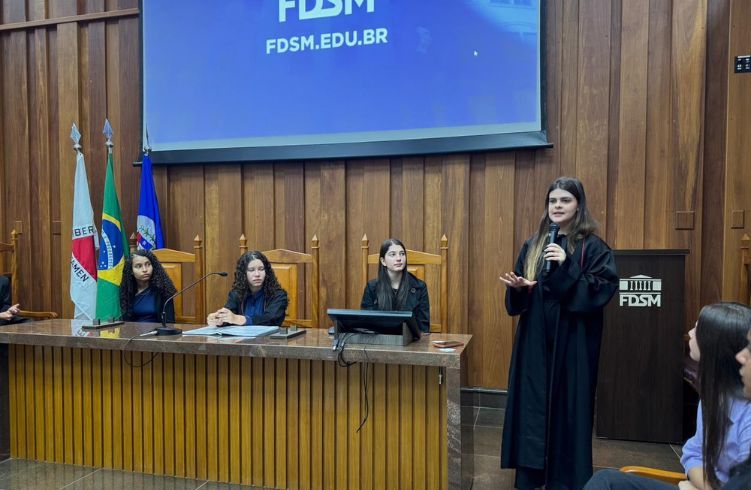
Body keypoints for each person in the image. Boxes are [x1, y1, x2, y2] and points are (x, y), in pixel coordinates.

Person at [499, 176, 619, 489]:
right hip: (535, 341)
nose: (557, 206)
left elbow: (600, 291)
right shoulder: (534, 244)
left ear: (578, 205)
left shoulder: (593, 247)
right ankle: (531, 475)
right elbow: (518, 301)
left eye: (565, 200)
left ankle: (564, 480)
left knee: (569, 408)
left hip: (572, 343)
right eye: (552, 200)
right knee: (532, 407)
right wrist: (519, 289)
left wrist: (567, 266)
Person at [583, 302, 751, 490]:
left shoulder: (747, 417)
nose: (690, 333)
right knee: (606, 480)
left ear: (715, 345)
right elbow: (694, 453)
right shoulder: (714, 394)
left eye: (697, 329)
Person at [360, 238, 430, 333]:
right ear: (383, 261)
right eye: (392, 254)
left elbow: (423, 329)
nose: (399, 258)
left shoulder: (420, 287)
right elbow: (366, 325)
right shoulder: (371, 287)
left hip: (410, 340)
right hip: (379, 340)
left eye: (402, 254)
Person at [207, 251, 288, 327]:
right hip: (240, 337)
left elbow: (271, 319)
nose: (257, 274)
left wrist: (241, 319)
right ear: (243, 273)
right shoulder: (236, 293)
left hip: (269, 337)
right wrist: (220, 320)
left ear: (266, 272)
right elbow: (230, 314)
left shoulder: (278, 295)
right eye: (251, 270)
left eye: (261, 269)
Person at [120, 249, 177, 323]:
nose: (145, 270)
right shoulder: (127, 291)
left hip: (157, 330)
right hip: (132, 329)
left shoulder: (163, 290)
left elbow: (170, 322)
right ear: (131, 271)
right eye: (139, 266)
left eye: (148, 264)